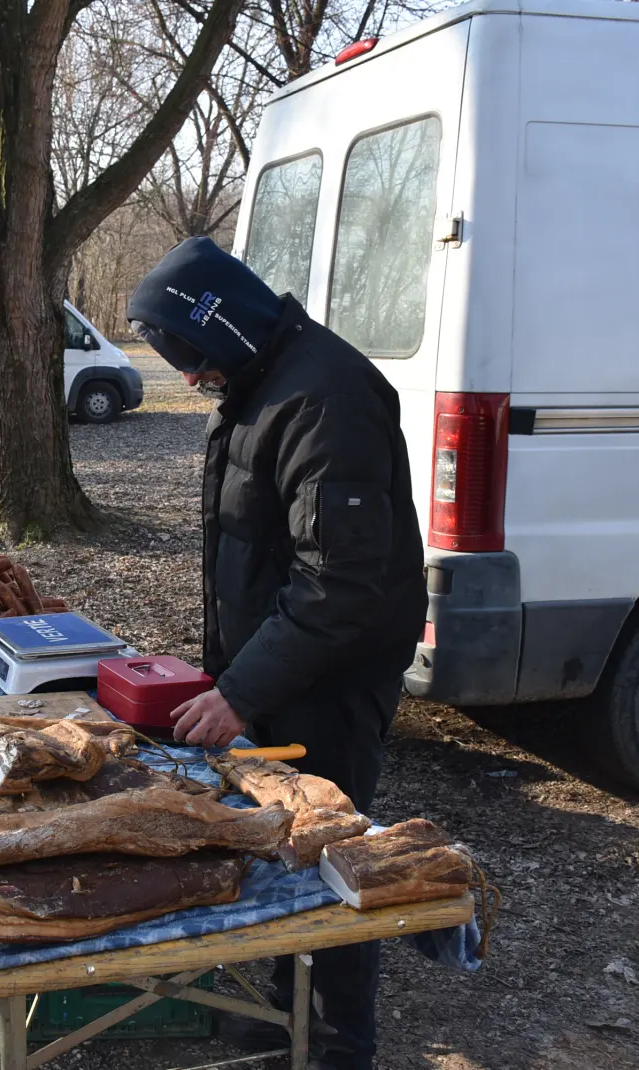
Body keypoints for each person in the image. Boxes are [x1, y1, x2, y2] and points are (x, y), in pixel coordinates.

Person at [127, 236, 427, 1070]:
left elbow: (341, 579)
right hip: (272, 667)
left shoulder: (326, 398)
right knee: (272, 839)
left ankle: (339, 1042)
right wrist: (227, 668)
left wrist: (241, 692)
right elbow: (255, 544)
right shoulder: (261, 378)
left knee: (328, 851)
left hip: (332, 680)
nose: (188, 378)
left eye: (190, 358)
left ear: (221, 324)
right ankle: (283, 1010)